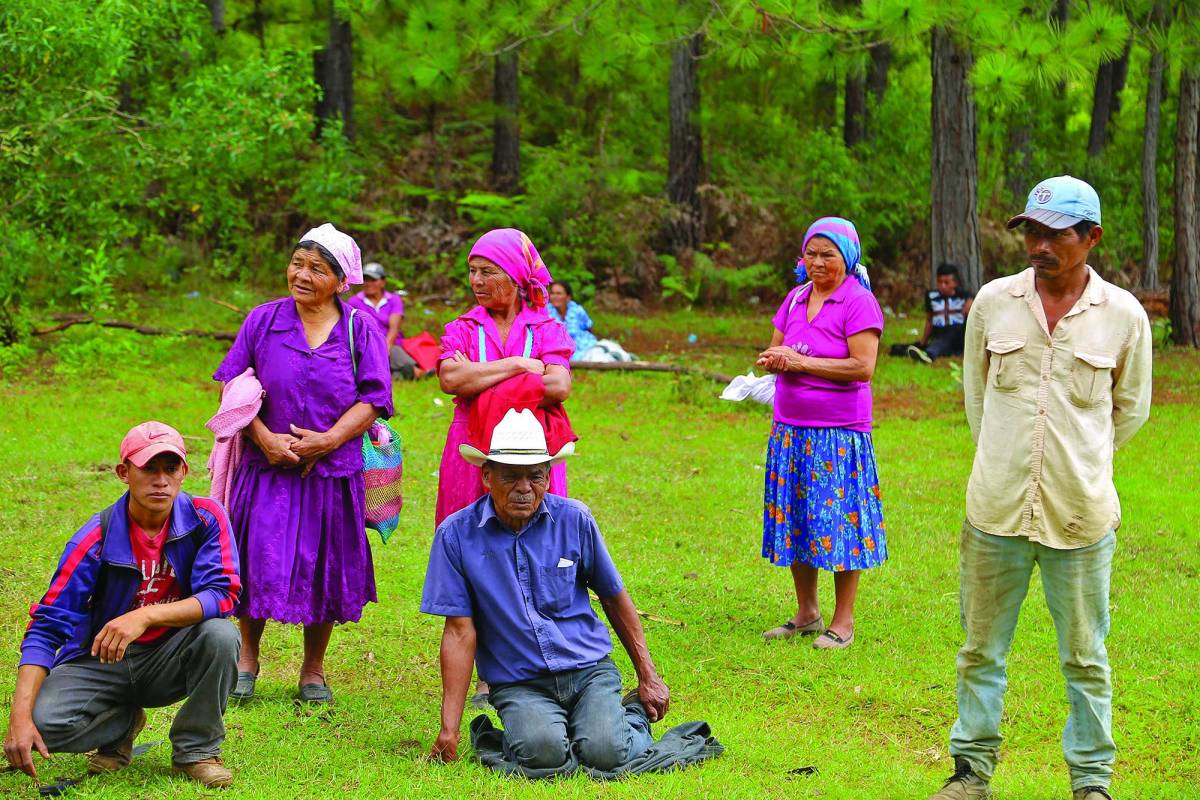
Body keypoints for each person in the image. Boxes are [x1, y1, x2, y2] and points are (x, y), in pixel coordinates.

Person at [930, 176, 1152, 800]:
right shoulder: (994, 303)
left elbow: (1129, 410)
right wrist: (1006, 457)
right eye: (1031, 231)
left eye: (1055, 234)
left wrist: (1078, 460)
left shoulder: (1125, 317)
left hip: (1079, 516)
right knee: (979, 651)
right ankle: (970, 773)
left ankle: (1091, 783)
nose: (1038, 244)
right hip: (994, 508)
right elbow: (978, 398)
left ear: (1092, 237)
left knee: (1086, 658)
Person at [422, 408, 670, 774]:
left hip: (588, 669)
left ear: (548, 477)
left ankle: (626, 714)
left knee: (606, 752)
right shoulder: (456, 535)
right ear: (487, 477)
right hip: (519, 681)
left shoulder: (575, 520)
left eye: (535, 476)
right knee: (543, 754)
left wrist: (647, 676)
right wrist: (449, 730)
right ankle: (560, 727)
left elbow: (615, 597)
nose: (524, 488)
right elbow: (459, 632)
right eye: (511, 477)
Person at [3, 422, 241, 788]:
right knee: (42, 724)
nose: (161, 480)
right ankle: (122, 725)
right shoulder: (94, 537)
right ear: (123, 473)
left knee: (221, 634)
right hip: (101, 660)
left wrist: (145, 615)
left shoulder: (206, 517)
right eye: (148, 468)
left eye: (170, 468)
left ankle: (196, 751)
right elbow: (47, 625)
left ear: (184, 472)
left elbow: (223, 593)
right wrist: (19, 718)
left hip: (171, 655)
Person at [213, 223, 393, 705]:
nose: (302, 274)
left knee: (325, 563)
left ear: (341, 279)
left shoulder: (360, 327)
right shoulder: (264, 320)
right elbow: (232, 382)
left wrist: (330, 439)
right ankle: (247, 658)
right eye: (298, 262)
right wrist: (264, 437)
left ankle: (312, 670)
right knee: (257, 557)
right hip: (267, 465)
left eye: (317, 268)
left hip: (332, 472)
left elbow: (374, 398)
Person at [756, 216, 887, 650]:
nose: (817, 261)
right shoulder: (795, 299)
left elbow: (862, 367)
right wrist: (773, 361)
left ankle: (843, 621)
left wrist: (800, 363)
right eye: (810, 253)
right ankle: (807, 612)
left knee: (839, 522)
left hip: (838, 434)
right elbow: (780, 349)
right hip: (791, 428)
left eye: (827, 254)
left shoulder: (858, 301)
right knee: (798, 518)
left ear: (847, 258)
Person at [345, 261, 419, 379]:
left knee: (399, 357)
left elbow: (394, 328)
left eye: (373, 280)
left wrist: (384, 347)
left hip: (390, 344)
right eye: (366, 280)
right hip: (366, 346)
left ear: (383, 282)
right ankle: (399, 373)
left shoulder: (394, 300)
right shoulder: (354, 302)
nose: (369, 283)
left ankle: (413, 372)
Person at [547, 281, 635, 363]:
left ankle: (624, 356)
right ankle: (617, 359)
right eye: (552, 293)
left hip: (584, 342)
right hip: (564, 350)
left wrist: (590, 339)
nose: (554, 296)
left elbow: (588, 327)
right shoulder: (546, 312)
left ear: (568, 297)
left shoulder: (577, 310)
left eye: (558, 294)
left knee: (605, 345)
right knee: (596, 357)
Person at [907, 263, 974, 363]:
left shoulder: (965, 296)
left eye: (946, 283)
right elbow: (929, 319)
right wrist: (923, 341)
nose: (943, 286)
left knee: (952, 333)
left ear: (955, 283)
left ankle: (929, 355)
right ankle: (926, 350)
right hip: (939, 333)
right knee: (939, 342)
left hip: (958, 335)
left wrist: (971, 301)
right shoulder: (931, 296)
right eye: (940, 282)